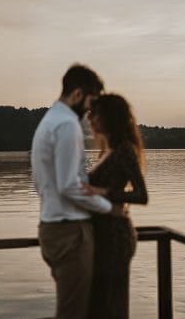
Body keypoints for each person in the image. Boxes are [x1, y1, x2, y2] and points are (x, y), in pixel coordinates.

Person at [32, 64, 125, 319]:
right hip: (70, 234)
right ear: (76, 94)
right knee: (73, 313)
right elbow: (68, 186)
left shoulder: (49, 122)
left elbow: (43, 183)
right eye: (90, 101)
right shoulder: (67, 125)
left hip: (53, 228)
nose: (89, 109)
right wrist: (109, 208)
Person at [82, 93, 149, 319]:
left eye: (95, 114)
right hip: (101, 234)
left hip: (115, 237)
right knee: (101, 305)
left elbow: (142, 194)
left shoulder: (124, 150)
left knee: (109, 306)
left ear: (110, 117)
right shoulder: (108, 151)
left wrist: (104, 192)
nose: (90, 119)